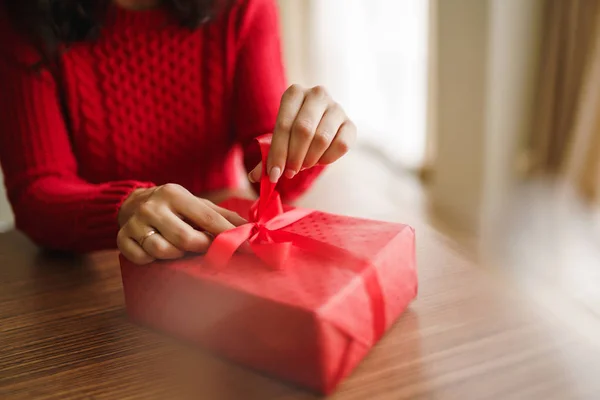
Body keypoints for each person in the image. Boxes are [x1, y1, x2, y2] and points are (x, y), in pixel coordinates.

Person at [0, 0, 356, 264]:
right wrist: (124, 207)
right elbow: (37, 191)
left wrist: (310, 139)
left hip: (214, 264)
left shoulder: (241, 6)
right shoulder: (24, 18)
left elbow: (275, 176)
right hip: (102, 271)